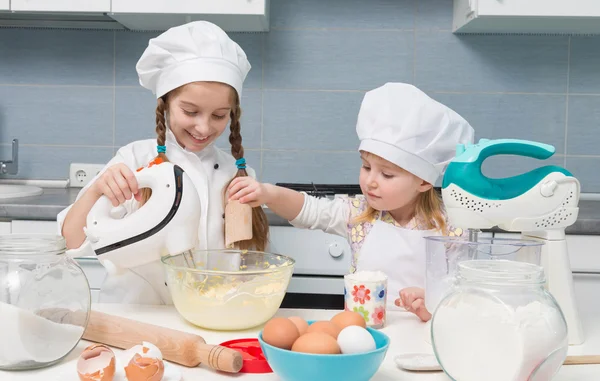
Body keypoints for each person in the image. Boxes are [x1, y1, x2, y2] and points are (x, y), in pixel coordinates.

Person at [57, 21, 268, 305]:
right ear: (165, 103)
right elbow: (70, 243)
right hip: (136, 318)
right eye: (190, 111)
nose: (203, 128)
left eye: (219, 116)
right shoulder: (133, 161)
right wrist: (97, 189)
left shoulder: (237, 174)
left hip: (209, 319)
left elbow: (252, 265)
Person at [227, 83, 474, 320]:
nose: (371, 181)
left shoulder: (452, 227)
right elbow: (308, 209)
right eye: (366, 167)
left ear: (423, 182)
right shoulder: (358, 214)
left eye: (386, 174)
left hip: (424, 333)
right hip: (363, 330)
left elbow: (465, 290)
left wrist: (431, 300)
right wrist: (269, 193)